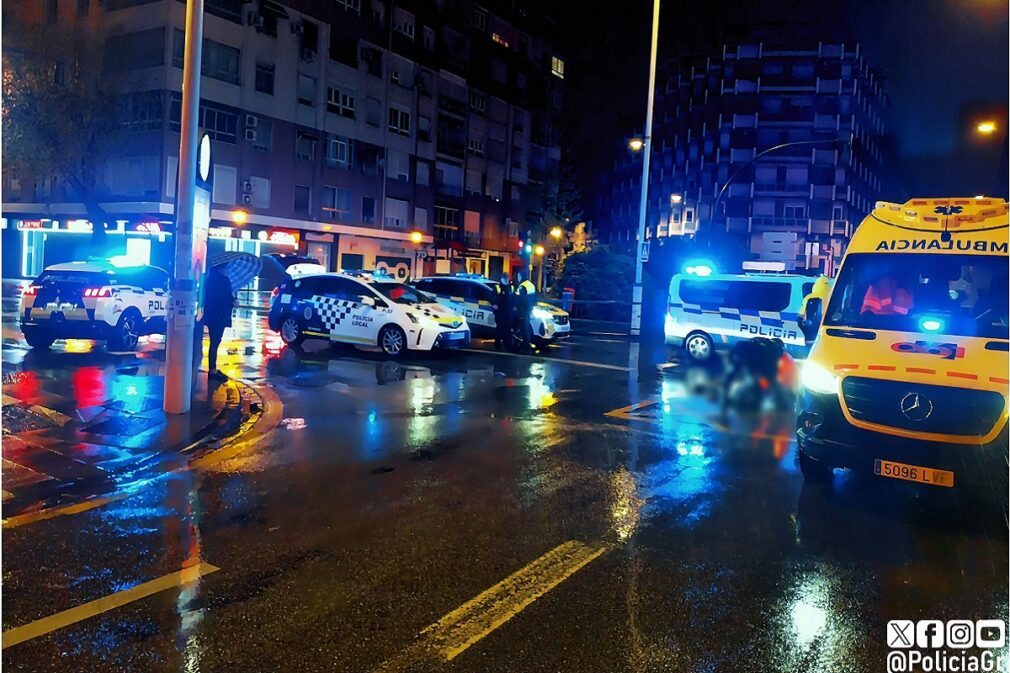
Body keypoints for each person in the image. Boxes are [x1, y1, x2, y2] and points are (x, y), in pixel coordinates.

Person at [202, 268, 235, 380]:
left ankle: (213, 368)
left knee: (215, 342)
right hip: (219, 317)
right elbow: (223, 299)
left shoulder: (210, 279)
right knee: (215, 342)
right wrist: (232, 302)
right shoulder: (222, 281)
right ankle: (212, 370)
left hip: (215, 316)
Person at [516, 278, 537, 353]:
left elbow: (520, 299)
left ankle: (525, 346)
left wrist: (517, 307)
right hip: (528, 310)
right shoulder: (531, 285)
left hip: (523, 310)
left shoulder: (523, 286)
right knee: (526, 329)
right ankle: (526, 344)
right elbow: (534, 299)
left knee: (524, 329)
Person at [493, 279, 513, 351]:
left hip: (508, 312)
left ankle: (508, 345)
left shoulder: (511, 287)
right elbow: (492, 297)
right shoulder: (497, 287)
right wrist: (494, 305)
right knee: (499, 328)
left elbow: (514, 298)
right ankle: (497, 344)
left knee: (507, 329)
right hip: (500, 312)